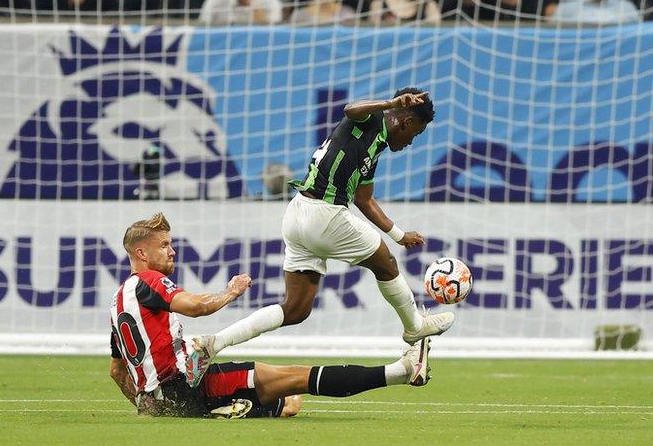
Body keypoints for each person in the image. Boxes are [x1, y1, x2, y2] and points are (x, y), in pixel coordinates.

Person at [188, 88, 454, 384]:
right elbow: (351, 110)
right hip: (324, 214)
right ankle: (414, 327)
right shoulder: (371, 121)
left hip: (299, 213)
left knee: (295, 309)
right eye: (414, 135)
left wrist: (399, 234)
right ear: (404, 121)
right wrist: (391, 104)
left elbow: (365, 199)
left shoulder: (373, 149)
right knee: (386, 263)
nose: (410, 142)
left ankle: (211, 343)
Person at [109, 212, 431, 418]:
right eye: (164, 245)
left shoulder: (118, 300)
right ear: (141, 253)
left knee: (288, 403)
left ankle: (223, 409)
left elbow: (117, 372)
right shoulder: (148, 281)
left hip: (172, 391)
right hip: (188, 384)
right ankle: (403, 370)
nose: (172, 251)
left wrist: (152, 406)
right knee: (295, 382)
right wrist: (231, 292)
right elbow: (195, 306)